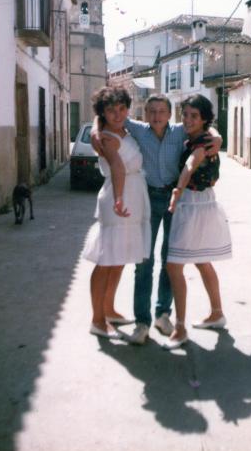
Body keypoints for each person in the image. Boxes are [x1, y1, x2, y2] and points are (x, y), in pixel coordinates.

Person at [92, 94, 222, 345]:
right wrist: (95, 132)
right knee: (144, 261)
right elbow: (106, 118)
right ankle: (142, 322)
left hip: (176, 200)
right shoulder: (139, 130)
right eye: (151, 111)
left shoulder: (180, 131)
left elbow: (207, 128)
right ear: (145, 114)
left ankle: (163, 314)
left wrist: (217, 137)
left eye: (162, 111)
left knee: (170, 259)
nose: (156, 116)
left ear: (170, 114)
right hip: (147, 199)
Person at [165, 94, 232, 350]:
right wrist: (216, 134)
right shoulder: (201, 137)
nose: (188, 120)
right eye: (185, 115)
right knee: (202, 261)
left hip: (193, 204)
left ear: (204, 119)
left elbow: (190, 165)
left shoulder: (202, 143)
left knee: (174, 266)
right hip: (200, 203)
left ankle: (180, 328)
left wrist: (177, 191)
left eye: (194, 116)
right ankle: (217, 313)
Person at [83, 86, 151, 338]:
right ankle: (97, 320)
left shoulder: (122, 130)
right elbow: (117, 167)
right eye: (111, 110)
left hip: (132, 197)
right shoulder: (107, 137)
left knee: (119, 258)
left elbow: (99, 121)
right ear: (103, 112)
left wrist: (95, 125)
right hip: (118, 198)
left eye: (122, 108)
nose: (118, 114)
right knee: (106, 260)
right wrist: (119, 198)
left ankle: (109, 310)